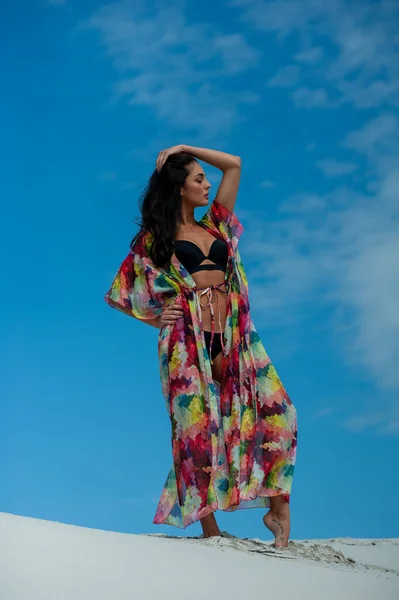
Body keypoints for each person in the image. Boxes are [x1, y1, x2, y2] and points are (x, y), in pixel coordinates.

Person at [104, 144, 297, 546]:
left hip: (234, 338)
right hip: (186, 344)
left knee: (280, 415)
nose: (208, 184)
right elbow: (121, 294)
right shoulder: (154, 239)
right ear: (179, 188)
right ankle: (210, 529)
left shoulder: (216, 226)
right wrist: (158, 318)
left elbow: (235, 164)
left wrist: (185, 148)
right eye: (198, 179)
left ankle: (278, 508)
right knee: (197, 432)